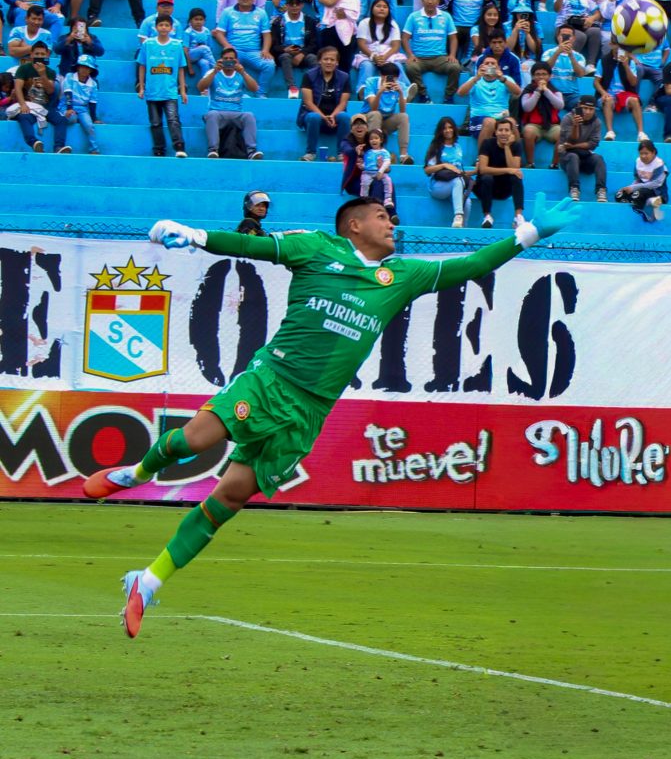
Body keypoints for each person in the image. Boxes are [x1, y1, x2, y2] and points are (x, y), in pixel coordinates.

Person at [83, 191, 579, 637]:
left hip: (311, 409)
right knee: (196, 439)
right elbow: (253, 248)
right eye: (383, 216)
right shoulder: (317, 248)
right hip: (272, 379)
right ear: (354, 225)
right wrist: (194, 235)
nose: (392, 223)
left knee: (229, 499)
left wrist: (530, 233)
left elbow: (471, 266)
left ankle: (146, 582)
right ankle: (137, 472)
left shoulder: (402, 276)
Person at [197, 48, 263, 160]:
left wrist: (242, 72)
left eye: (231, 59)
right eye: (225, 59)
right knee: (212, 115)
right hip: (218, 112)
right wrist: (214, 71)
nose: (228, 61)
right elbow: (200, 87)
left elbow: (255, 88)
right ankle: (213, 150)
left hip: (236, 113)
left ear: (236, 61)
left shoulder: (241, 74)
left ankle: (251, 151)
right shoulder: (213, 72)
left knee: (249, 116)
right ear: (221, 60)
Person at [136, 13, 187, 157]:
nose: (164, 28)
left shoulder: (177, 45)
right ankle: (159, 149)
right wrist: (141, 87)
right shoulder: (148, 44)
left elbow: (181, 68)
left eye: (167, 25)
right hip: (152, 91)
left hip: (170, 91)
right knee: (155, 122)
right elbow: (142, 66)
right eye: (161, 25)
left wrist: (182, 91)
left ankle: (179, 147)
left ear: (171, 28)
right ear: (156, 27)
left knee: (173, 120)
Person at [212, 0, 275, 97]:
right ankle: (236, 93)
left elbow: (267, 34)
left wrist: (265, 50)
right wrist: (227, 46)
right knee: (228, 63)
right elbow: (219, 33)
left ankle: (261, 93)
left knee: (269, 65)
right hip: (235, 51)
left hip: (254, 52)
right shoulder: (228, 12)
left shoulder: (261, 13)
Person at [402, 0, 460, 104]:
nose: (430, 1)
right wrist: (410, 55)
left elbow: (453, 38)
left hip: (440, 58)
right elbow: (404, 38)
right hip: (419, 58)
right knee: (410, 68)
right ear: (422, 0)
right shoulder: (413, 17)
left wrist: (452, 54)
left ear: (438, 0)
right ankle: (424, 96)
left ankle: (448, 97)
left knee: (455, 67)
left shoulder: (446, 17)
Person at [297, 45, 351, 160]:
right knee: (314, 117)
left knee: (345, 116)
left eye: (332, 60)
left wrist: (332, 116)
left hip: (334, 119)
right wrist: (323, 117)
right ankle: (310, 152)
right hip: (314, 118)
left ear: (337, 62)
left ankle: (342, 153)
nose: (329, 62)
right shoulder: (309, 75)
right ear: (319, 61)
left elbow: (343, 103)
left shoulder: (344, 77)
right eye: (325, 59)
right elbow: (308, 102)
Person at [457, 53, 521, 147]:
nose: (490, 65)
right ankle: (481, 159)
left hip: (501, 117)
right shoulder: (474, 80)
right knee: (490, 122)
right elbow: (460, 93)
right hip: (479, 119)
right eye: (487, 63)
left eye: (493, 63)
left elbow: (518, 92)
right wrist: (476, 78)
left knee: (511, 122)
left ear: (498, 67)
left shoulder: (506, 79)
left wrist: (502, 78)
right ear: (481, 66)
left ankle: (516, 158)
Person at [471, 117, 525, 228]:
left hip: (503, 189)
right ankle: (487, 216)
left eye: (506, 130)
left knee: (516, 177)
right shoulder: (487, 143)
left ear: (511, 132)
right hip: (484, 187)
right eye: (500, 130)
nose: (503, 133)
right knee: (487, 177)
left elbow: (514, 168)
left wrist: (506, 147)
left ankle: (518, 217)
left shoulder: (516, 145)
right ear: (495, 132)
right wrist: (507, 170)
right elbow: (483, 169)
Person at [423, 116, 473, 227]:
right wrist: (444, 165)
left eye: (450, 127)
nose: (448, 130)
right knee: (458, 182)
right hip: (438, 186)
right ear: (440, 131)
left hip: (455, 184)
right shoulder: (436, 147)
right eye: (444, 128)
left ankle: (462, 233)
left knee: (468, 202)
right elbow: (427, 170)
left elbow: (458, 171)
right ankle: (458, 215)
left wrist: (475, 172)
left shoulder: (458, 147)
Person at [360, 62, 413, 164]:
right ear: (381, 75)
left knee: (404, 117)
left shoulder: (400, 86)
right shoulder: (371, 82)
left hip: (386, 121)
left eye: (394, 78)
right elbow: (373, 108)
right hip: (369, 118)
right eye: (388, 77)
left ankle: (403, 155)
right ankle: (372, 152)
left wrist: (401, 93)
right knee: (376, 114)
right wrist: (380, 91)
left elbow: (402, 110)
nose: (391, 81)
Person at [558, 94, 607, 201]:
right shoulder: (568, 118)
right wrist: (576, 125)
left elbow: (592, 144)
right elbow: (570, 141)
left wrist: (574, 146)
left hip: (584, 156)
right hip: (567, 157)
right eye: (585, 108)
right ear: (579, 106)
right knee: (573, 156)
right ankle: (574, 188)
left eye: (591, 109)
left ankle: (601, 190)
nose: (588, 112)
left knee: (598, 158)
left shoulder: (597, 122)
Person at [595, 44, 649, 142]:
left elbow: (633, 82)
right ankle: (610, 132)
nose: (619, 49)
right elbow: (596, 82)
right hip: (608, 94)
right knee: (608, 99)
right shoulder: (603, 61)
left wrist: (626, 66)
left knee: (635, 100)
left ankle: (641, 133)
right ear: (612, 46)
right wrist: (603, 93)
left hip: (624, 95)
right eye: (617, 46)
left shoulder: (630, 62)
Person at [269, 0, 318, 99]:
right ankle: (292, 88)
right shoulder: (278, 22)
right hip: (286, 53)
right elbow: (273, 46)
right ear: (286, 5)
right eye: (291, 4)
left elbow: (314, 44)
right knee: (285, 57)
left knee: (313, 59)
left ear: (302, 5)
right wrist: (285, 49)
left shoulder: (309, 21)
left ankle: (316, 88)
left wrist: (302, 53)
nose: (295, 6)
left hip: (304, 53)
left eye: (297, 3)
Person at [518, 61, 563, 167]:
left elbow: (560, 105)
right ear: (532, 76)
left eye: (544, 74)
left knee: (563, 133)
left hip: (552, 126)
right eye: (538, 74)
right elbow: (527, 108)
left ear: (550, 76)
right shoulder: (528, 91)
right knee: (528, 131)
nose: (541, 77)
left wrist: (546, 91)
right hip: (533, 125)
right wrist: (537, 92)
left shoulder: (555, 91)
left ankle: (554, 164)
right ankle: (530, 163)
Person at [615, 139, 668, 221]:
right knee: (619, 195)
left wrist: (633, 188)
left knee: (638, 195)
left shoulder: (660, 165)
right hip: (640, 190)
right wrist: (629, 187)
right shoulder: (638, 162)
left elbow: (656, 184)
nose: (643, 156)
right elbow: (637, 179)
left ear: (653, 152)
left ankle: (647, 212)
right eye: (641, 153)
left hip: (656, 193)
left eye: (646, 153)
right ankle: (631, 204)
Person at [63, 53, 100, 154]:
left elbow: (92, 103)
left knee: (89, 125)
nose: (84, 70)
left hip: (82, 109)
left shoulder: (93, 84)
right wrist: (69, 108)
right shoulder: (70, 77)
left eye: (88, 68)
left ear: (91, 70)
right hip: (67, 106)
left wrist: (94, 118)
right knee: (71, 118)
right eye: (82, 67)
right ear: (78, 67)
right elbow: (67, 92)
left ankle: (94, 149)